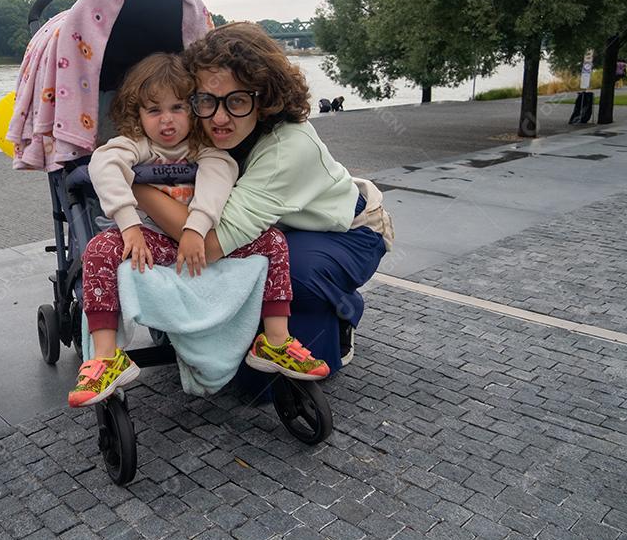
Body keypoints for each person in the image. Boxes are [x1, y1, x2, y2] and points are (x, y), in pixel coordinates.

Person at [133, 23, 392, 374]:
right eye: (207, 100)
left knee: (287, 273)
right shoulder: (207, 126)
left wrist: (136, 186)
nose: (219, 118)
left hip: (347, 231)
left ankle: (340, 310)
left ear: (265, 99)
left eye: (237, 100)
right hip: (281, 227)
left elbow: (208, 245)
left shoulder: (288, 149)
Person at [69, 53, 320, 409]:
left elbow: (219, 176)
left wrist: (196, 228)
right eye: (154, 111)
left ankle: (276, 340)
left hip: (200, 241)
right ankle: (107, 356)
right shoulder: (138, 146)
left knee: (273, 240)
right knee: (97, 251)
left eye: (177, 108)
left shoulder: (205, 150)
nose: (167, 121)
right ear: (138, 115)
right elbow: (104, 162)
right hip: (152, 239)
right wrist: (129, 225)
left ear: (193, 109)